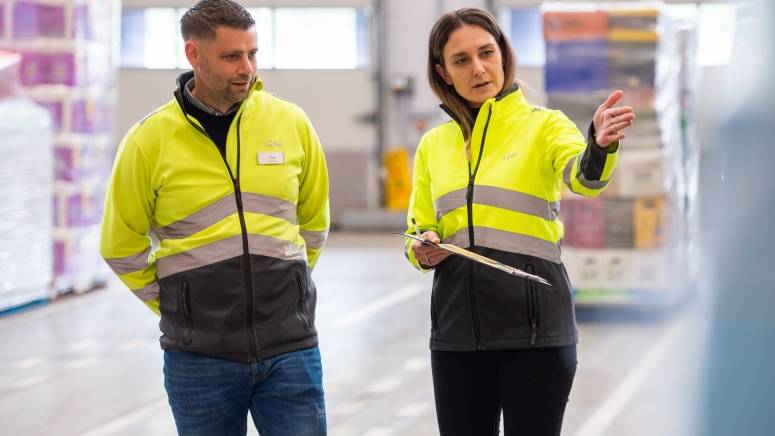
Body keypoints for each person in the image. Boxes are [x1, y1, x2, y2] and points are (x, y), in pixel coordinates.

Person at [99, 0, 329, 434]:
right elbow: (120, 244)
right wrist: (178, 304)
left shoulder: (291, 122)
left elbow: (314, 222)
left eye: (253, 53)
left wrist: (287, 286)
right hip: (199, 358)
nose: (247, 68)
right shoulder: (149, 140)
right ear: (194, 55)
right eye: (231, 56)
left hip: (291, 349)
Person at [404, 8, 634, 436]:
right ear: (443, 72)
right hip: (457, 334)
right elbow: (418, 226)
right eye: (461, 60)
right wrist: (422, 247)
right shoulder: (433, 146)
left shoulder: (544, 126)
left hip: (536, 333)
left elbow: (584, 179)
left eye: (486, 53)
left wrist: (599, 146)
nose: (478, 68)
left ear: (503, 55)